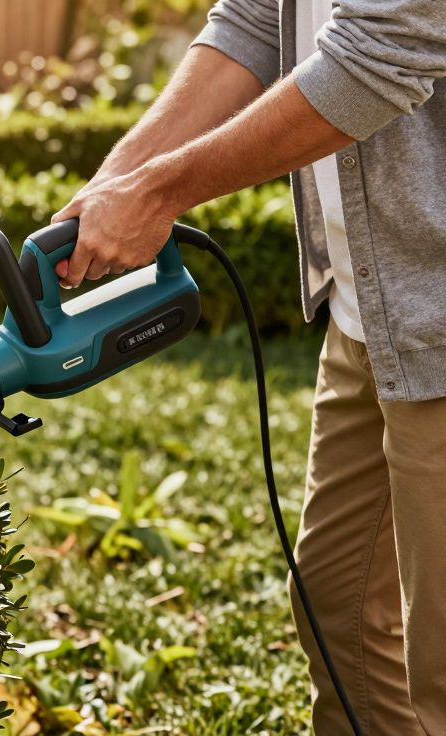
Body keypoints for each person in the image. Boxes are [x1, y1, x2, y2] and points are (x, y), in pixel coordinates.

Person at [49, 0, 446, 732]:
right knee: (340, 613)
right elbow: (259, 19)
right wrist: (115, 187)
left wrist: (159, 192)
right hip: (375, 311)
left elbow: (379, 56)